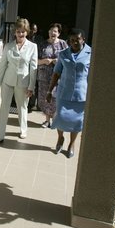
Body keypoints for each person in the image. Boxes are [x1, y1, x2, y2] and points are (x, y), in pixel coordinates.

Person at [46, 28, 91, 158]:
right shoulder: (63, 53)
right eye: (71, 40)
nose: (74, 43)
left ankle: (72, 144)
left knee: (77, 122)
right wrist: (50, 91)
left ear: (83, 40)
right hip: (64, 92)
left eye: (77, 40)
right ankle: (60, 138)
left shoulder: (91, 53)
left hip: (81, 94)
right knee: (60, 117)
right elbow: (56, 73)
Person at [0, 18, 37, 146]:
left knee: (22, 107)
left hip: (23, 82)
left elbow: (33, 68)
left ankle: (23, 129)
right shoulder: (8, 46)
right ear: (15, 32)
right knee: (4, 108)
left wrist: (31, 86)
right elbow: (3, 66)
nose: (20, 34)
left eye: (23, 31)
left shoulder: (33, 47)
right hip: (7, 80)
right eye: (18, 31)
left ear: (27, 32)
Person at [37, 23, 68, 128]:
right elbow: (35, 61)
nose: (52, 33)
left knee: (56, 98)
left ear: (58, 33)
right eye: (50, 30)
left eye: (55, 31)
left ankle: (55, 120)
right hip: (44, 77)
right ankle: (47, 121)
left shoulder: (63, 44)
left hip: (59, 77)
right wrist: (44, 61)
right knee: (45, 98)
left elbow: (69, 60)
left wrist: (58, 61)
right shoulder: (42, 44)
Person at [27, 22, 43, 112]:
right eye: (31, 29)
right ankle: (28, 103)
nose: (33, 31)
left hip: (36, 62)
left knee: (35, 84)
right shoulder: (26, 38)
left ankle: (33, 104)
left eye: (34, 29)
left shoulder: (39, 39)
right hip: (27, 63)